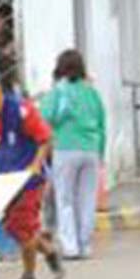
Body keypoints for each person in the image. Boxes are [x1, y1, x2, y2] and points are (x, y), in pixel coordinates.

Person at [0, 69, 64, 279]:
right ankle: (49, 251)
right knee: (15, 228)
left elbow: (46, 139)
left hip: (28, 179)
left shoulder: (22, 111)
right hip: (2, 179)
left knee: (21, 224)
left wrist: (35, 165)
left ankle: (29, 276)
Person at [41, 49, 106, 260]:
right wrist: (101, 153)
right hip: (91, 149)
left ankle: (70, 246)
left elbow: (45, 118)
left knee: (65, 198)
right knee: (86, 199)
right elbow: (102, 123)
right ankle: (85, 245)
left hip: (66, 148)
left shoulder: (58, 92)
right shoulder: (92, 92)